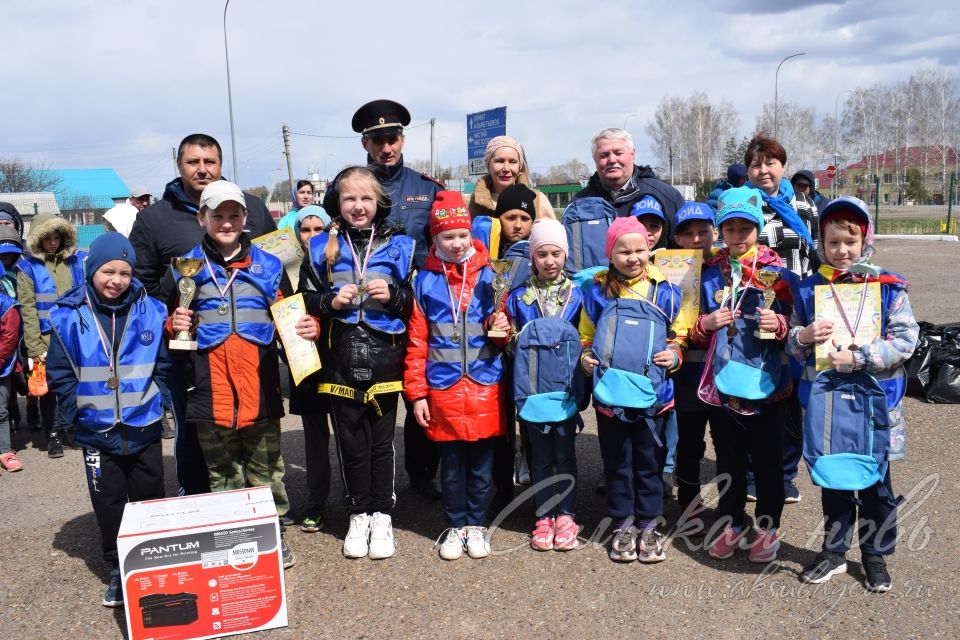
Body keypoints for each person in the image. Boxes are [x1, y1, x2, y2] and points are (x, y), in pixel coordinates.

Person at [130, 133, 277, 496]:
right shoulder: (154, 219)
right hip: (192, 354)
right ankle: (197, 500)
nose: (202, 169)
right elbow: (144, 287)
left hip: (252, 350)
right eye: (193, 162)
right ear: (179, 165)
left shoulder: (254, 208)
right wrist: (170, 321)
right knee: (199, 430)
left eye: (209, 162)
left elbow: (279, 274)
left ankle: (264, 517)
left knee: (257, 436)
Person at [788, 196, 918, 592]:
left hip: (876, 404)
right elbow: (792, 342)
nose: (841, 251)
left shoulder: (888, 286)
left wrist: (862, 356)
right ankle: (833, 551)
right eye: (832, 243)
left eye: (850, 242)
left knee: (877, 483)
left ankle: (875, 555)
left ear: (865, 242)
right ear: (820, 244)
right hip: (827, 404)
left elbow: (906, 339)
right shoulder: (810, 289)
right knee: (834, 480)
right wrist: (804, 337)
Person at [166, 180, 294, 569]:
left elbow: (290, 319)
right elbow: (174, 325)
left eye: (233, 214)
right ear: (201, 218)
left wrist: (307, 332)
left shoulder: (270, 266)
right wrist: (176, 323)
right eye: (217, 215)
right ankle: (232, 534)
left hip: (259, 384)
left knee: (266, 465)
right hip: (209, 386)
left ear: (245, 217)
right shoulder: (184, 268)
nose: (226, 222)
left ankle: (272, 532)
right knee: (221, 469)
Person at [46, 233, 170, 608]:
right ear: (91, 270)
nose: (116, 280)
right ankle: (119, 568)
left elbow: (162, 364)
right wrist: (74, 410)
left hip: (143, 425)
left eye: (124, 272)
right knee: (109, 502)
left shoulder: (151, 310)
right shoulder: (69, 316)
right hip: (96, 430)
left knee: (150, 499)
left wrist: (160, 398)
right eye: (108, 271)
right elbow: (60, 370)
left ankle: (152, 562)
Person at [296, 167, 414, 560]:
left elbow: (415, 302)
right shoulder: (318, 247)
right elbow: (304, 300)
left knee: (381, 444)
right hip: (340, 358)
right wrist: (330, 301)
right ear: (338, 204)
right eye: (350, 199)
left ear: (378, 201)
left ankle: (382, 513)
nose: (358, 206)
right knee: (351, 443)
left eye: (366, 199)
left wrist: (395, 294)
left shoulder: (401, 245)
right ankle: (358, 512)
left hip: (385, 358)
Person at [690, 186, 796, 564]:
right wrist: (705, 323)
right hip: (723, 384)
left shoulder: (778, 275)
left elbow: (799, 326)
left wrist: (780, 323)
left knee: (767, 461)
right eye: (730, 227)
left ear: (757, 228)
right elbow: (689, 327)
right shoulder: (707, 274)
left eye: (745, 227)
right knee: (729, 460)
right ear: (720, 229)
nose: (737, 235)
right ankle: (732, 521)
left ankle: (768, 527)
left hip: (769, 386)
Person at [404, 191, 509, 561]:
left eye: (462, 235)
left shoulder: (492, 276)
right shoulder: (425, 283)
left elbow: (504, 336)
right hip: (443, 390)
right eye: (447, 236)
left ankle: (477, 526)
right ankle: (454, 526)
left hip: (485, 386)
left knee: (481, 468)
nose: (456, 242)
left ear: (471, 234)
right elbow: (417, 343)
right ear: (434, 239)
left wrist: (501, 327)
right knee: (450, 469)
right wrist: (416, 395)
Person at [579, 216, 683, 564]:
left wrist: (675, 355)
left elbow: (678, 334)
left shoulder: (666, 289)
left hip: (655, 398)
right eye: (624, 251)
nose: (633, 257)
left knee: (649, 463)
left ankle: (649, 524)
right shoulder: (596, 290)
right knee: (618, 464)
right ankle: (622, 524)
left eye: (640, 249)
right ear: (611, 254)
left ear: (650, 248)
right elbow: (586, 334)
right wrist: (584, 357)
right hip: (611, 397)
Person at [743, 133, 819, 505]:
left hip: (796, 307)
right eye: (756, 164)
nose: (763, 170)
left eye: (770, 162)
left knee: (789, 396)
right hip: (753, 306)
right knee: (752, 385)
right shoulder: (743, 204)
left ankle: (786, 472)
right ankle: (751, 471)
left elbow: (817, 255)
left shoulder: (804, 206)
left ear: (782, 166)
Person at [505, 220, 584, 551]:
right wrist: (505, 332)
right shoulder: (518, 297)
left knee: (564, 453)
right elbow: (509, 341)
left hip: (565, 388)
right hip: (533, 389)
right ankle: (543, 514)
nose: (549, 260)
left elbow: (588, 337)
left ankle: (566, 514)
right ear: (531, 258)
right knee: (538, 455)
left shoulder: (579, 294)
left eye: (555, 253)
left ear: (565, 255)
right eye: (542, 254)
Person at [17, 212, 85, 458]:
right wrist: (34, 346)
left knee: (75, 385)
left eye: (57, 237)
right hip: (46, 338)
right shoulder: (27, 268)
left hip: (75, 335)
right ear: (39, 239)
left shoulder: (76, 263)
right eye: (48, 238)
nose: (53, 242)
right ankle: (53, 434)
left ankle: (71, 428)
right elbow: (28, 308)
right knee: (48, 390)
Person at [669, 202, 718, 524]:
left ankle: (732, 504)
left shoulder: (726, 269)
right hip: (687, 370)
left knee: (727, 443)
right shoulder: (669, 270)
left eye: (703, 231)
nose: (696, 238)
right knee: (689, 440)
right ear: (677, 237)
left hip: (722, 370)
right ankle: (688, 498)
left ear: (714, 232)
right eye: (688, 233)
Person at [287, 205, 331, 534]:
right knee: (314, 438)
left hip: (339, 359)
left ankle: (354, 498)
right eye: (306, 229)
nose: (313, 235)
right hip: (304, 359)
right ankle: (316, 501)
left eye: (320, 228)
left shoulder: (339, 260)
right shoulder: (285, 268)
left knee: (348, 435)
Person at [574, 127, 685, 241]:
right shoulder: (578, 205)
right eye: (604, 155)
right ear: (595, 159)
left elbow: (686, 245)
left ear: (633, 154)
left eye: (618, 153)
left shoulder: (667, 197)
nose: (612, 160)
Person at [467, 135, 556, 221]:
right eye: (500, 161)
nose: (506, 168)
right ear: (488, 165)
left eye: (512, 162)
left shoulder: (537, 201)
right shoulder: (476, 202)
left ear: (520, 166)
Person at [0, 265, 22, 473]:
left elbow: (9, 338)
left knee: (0, 411)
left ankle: (5, 450)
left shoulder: (6, 305)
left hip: (1, 367)